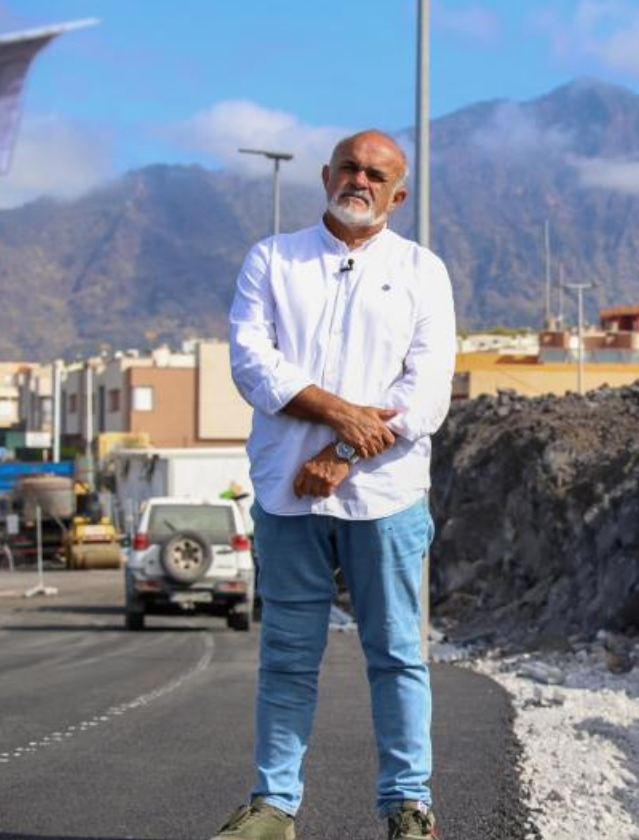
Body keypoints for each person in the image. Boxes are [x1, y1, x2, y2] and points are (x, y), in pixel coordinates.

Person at [216, 129, 455, 840]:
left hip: (385, 496)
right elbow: (252, 365)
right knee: (287, 656)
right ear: (325, 175)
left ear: (398, 194)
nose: (361, 180)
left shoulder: (422, 271)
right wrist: (341, 411)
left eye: (377, 175)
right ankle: (273, 808)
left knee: (397, 653)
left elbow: (427, 394)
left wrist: (344, 447)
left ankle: (408, 806)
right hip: (288, 495)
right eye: (349, 167)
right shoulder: (273, 260)